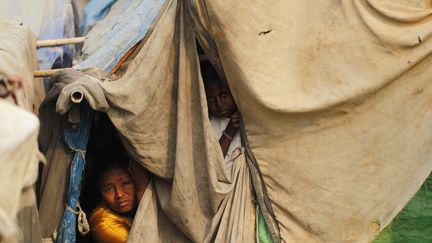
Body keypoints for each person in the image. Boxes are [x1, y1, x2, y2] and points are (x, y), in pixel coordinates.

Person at [202, 62, 241, 167]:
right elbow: (213, 166)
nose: (219, 104)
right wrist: (228, 133)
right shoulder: (207, 125)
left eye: (224, 94)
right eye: (211, 98)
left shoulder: (247, 115)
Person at [89, 160, 136, 243]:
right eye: (109, 189)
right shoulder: (103, 223)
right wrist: (141, 190)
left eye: (125, 183)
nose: (119, 194)